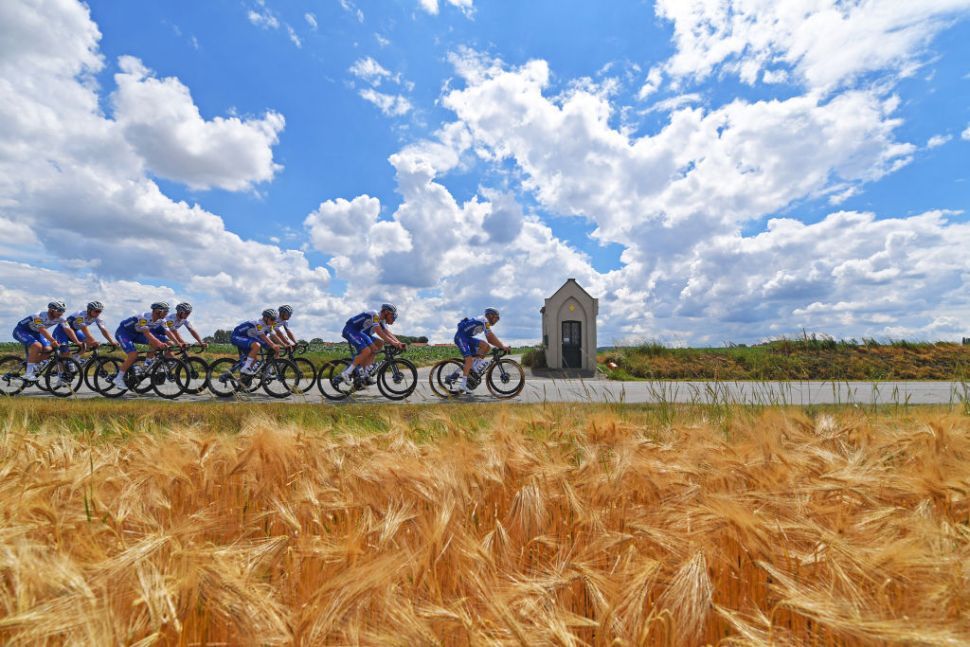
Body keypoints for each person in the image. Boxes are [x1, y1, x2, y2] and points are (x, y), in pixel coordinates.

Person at [110, 302, 173, 390]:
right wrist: (159, 343)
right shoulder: (143, 317)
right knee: (133, 354)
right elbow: (146, 333)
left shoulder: (163, 320)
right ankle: (118, 378)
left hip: (136, 334)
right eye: (165, 311)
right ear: (158, 311)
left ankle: (147, 363)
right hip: (124, 333)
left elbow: (168, 332)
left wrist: (178, 343)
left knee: (153, 345)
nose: (167, 313)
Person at [12, 300, 78, 383]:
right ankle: (28, 374)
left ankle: (34, 365)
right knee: (37, 346)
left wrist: (77, 342)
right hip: (22, 331)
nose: (61, 313)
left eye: (63, 311)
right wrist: (53, 340)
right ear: (51, 310)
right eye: (60, 310)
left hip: (36, 333)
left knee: (48, 349)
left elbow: (68, 330)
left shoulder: (61, 318)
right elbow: (42, 329)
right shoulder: (37, 316)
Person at [336, 304, 404, 384]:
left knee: (379, 343)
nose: (393, 317)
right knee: (366, 351)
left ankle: (366, 373)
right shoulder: (374, 314)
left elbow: (387, 332)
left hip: (361, 334)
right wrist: (393, 342)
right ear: (386, 312)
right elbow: (379, 331)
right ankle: (346, 373)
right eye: (392, 314)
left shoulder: (381, 321)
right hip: (350, 330)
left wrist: (399, 343)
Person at [453, 307, 510, 393]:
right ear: (490, 315)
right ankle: (463, 385)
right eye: (496, 317)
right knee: (469, 360)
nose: (497, 320)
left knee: (486, 346)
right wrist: (502, 346)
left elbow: (490, 338)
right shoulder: (484, 320)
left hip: (467, 338)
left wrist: (500, 345)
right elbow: (490, 338)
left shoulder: (484, 321)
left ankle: (472, 370)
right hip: (460, 337)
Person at [231, 309, 281, 375]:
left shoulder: (269, 325)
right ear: (266, 318)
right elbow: (262, 336)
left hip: (246, 337)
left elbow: (273, 335)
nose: (273, 321)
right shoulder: (258, 323)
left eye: (275, 319)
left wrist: (285, 344)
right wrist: (273, 345)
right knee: (256, 345)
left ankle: (244, 377)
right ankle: (245, 368)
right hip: (237, 336)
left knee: (254, 360)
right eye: (272, 319)